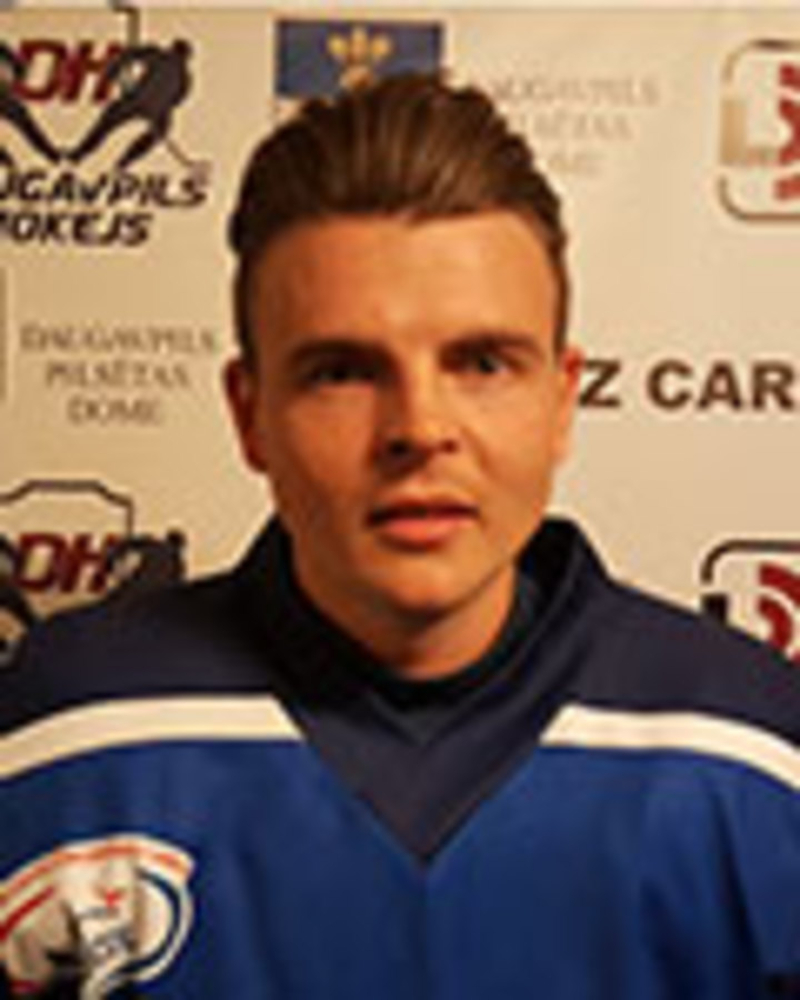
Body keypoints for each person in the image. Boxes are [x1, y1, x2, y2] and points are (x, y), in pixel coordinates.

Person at [2, 73, 799, 1000]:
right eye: (342, 371)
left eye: (483, 362)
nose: (419, 428)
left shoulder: (755, 752)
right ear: (250, 414)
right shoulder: (59, 737)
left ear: (561, 401)